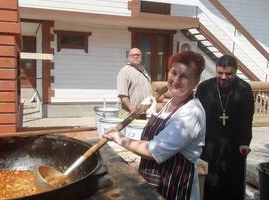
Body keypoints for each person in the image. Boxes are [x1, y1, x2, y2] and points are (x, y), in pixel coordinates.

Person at [104, 51, 206, 200]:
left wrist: (119, 138)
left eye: (184, 76)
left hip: (174, 186)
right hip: (153, 180)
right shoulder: (171, 103)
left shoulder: (191, 113)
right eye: (174, 72)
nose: (176, 80)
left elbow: (153, 151)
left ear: (195, 82)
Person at [195, 55, 254, 200]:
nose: (224, 77)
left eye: (229, 74)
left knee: (232, 183)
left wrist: (245, 142)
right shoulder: (204, 87)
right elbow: (196, 116)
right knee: (209, 182)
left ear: (236, 71)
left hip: (234, 144)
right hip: (209, 143)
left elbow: (247, 119)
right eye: (220, 73)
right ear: (215, 71)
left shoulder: (244, 89)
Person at [117, 48, 151, 118]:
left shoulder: (143, 70)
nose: (136, 56)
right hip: (131, 114)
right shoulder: (124, 72)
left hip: (145, 113)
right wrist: (132, 109)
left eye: (138, 55)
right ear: (128, 57)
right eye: (133, 55)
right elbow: (122, 95)